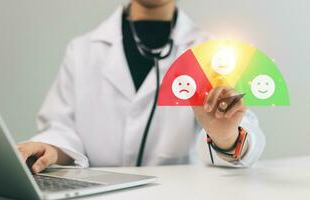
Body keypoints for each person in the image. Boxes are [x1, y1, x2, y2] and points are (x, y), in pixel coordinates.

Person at [18, 0, 265, 174]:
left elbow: (244, 131)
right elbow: (60, 127)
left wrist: (224, 136)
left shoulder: (211, 52)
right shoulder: (83, 50)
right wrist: (51, 148)